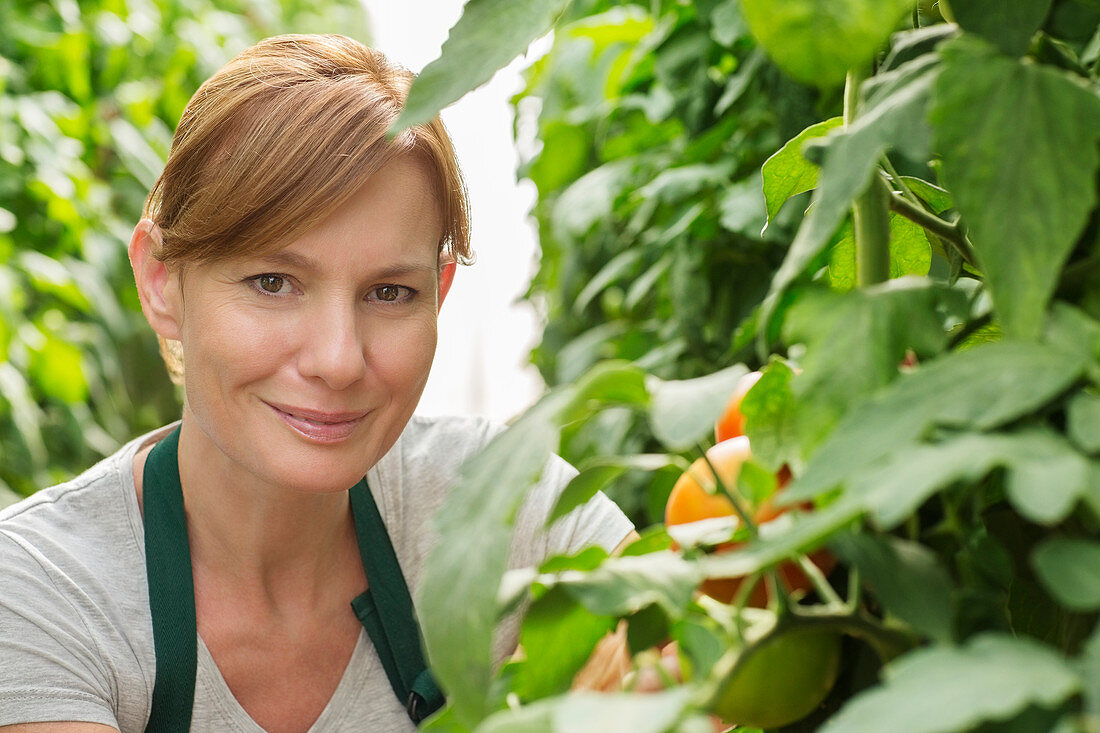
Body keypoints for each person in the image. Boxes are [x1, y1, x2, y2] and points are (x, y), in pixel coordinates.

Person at [0, 34, 634, 732]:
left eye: (390, 292)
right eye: (274, 282)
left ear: (440, 291)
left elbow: (695, 647)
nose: (338, 359)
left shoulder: (505, 507)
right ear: (161, 280)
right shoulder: (41, 591)